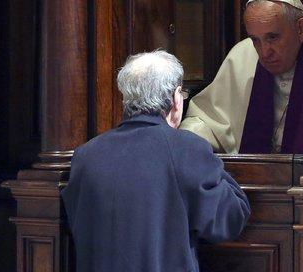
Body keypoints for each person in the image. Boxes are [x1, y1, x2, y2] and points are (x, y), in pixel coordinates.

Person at [61, 50, 250, 272]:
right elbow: (230, 219)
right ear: (176, 98)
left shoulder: (86, 155)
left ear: (126, 98)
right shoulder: (188, 149)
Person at [180, 0, 303, 154]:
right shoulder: (243, 54)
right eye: (255, 39)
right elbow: (207, 121)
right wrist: (186, 139)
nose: (264, 52)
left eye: (273, 37)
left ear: (301, 29)